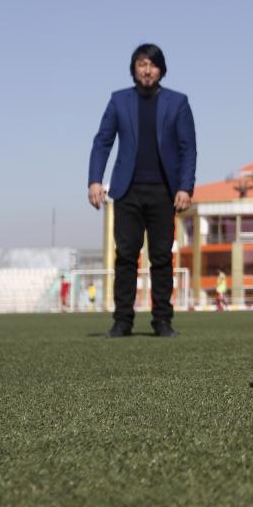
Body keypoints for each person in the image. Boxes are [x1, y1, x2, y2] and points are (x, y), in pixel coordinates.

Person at [88, 43, 197, 338]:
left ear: (161, 68)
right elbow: (103, 141)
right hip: (127, 191)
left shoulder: (178, 102)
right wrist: (95, 180)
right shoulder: (119, 101)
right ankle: (122, 321)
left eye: (152, 64)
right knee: (125, 256)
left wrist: (186, 187)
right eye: (141, 64)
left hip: (164, 192)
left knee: (161, 258)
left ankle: (162, 321)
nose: (147, 70)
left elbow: (189, 149)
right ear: (134, 69)